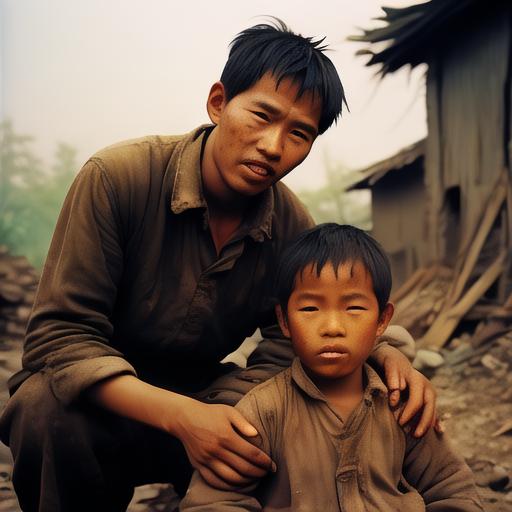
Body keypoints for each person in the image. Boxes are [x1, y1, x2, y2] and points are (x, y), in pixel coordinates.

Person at [0, 20, 437, 512]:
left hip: (209, 395)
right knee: (42, 409)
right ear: (218, 102)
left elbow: (299, 333)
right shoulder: (118, 178)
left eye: (299, 133)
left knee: (280, 419)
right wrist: (180, 417)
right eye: (261, 116)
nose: (273, 146)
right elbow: (59, 337)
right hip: (103, 402)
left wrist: (385, 356)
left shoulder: (292, 225)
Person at [180, 224, 483, 512]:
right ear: (284, 320)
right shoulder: (262, 411)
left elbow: (452, 489)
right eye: (310, 309)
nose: (333, 327)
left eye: (354, 308)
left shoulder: (401, 406)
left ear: (382, 320)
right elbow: (212, 503)